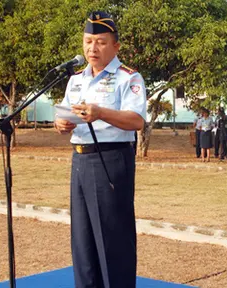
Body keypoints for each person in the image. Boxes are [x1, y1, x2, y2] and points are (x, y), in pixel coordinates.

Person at [54, 11, 146, 288]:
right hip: (80, 160)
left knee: (112, 240)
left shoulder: (128, 78)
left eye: (101, 42)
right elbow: (66, 116)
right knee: (82, 240)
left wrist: (101, 112)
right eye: (88, 41)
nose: (93, 48)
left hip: (111, 160)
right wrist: (61, 124)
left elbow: (137, 120)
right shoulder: (76, 79)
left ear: (116, 46)